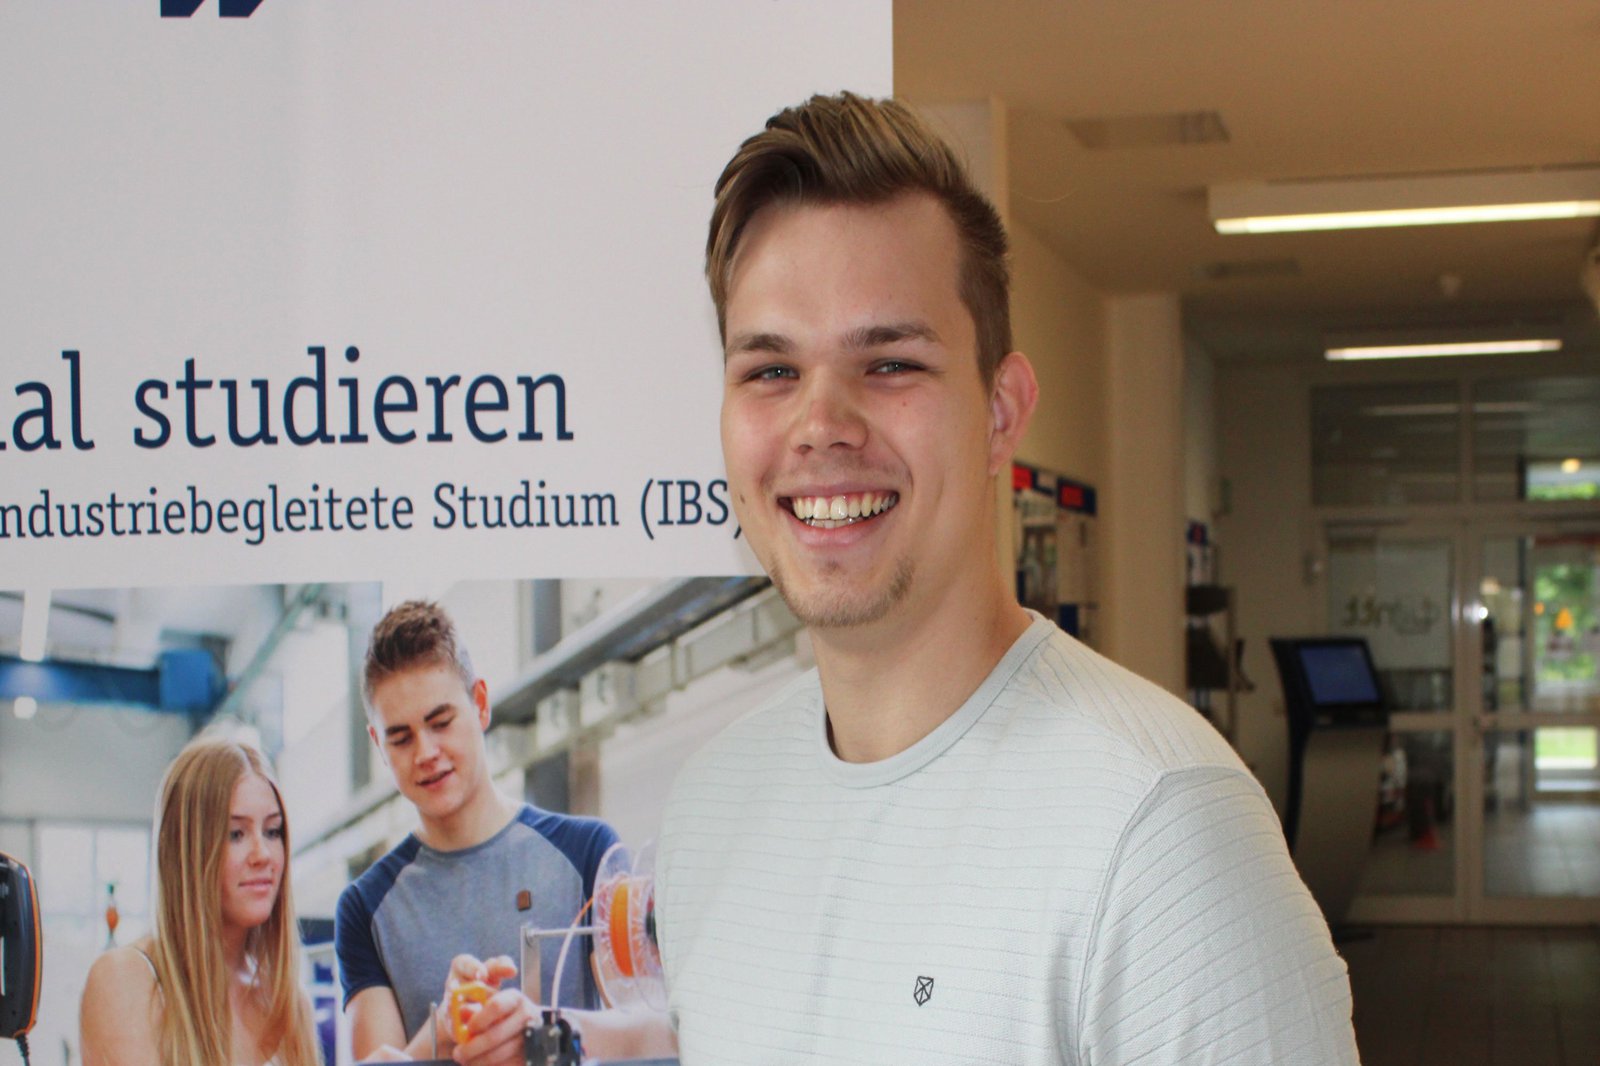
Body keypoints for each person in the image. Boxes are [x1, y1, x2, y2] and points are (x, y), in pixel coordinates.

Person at [655, 92, 1360, 1064]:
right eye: (770, 371)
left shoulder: (1160, 830)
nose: (820, 424)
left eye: (890, 362)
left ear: (999, 411)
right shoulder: (706, 811)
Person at [334, 600, 621, 1064]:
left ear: (481, 704)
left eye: (440, 722)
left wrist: (543, 1033)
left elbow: (652, 1031)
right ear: (377, 746)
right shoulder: (365, 909)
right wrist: (439, 1033)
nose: (426, 752)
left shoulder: (589, 854)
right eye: (401, 738)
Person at [79, 736, 320, 1066]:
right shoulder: (126, 981)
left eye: (272, 831)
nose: (263, 854)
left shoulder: (290, 1004)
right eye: (235, 834)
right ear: (186, 850)